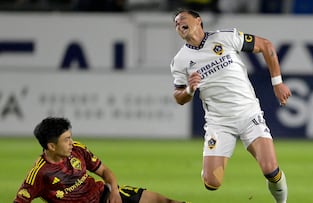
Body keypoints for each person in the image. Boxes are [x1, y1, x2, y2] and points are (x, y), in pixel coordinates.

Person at [170, 9, 291, 203]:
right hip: (219, 123)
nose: (179, 24)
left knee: (270, 169)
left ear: (198, 21)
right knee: (212, 183)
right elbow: (178, 96)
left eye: (182, 19)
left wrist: (277, 83)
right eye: (175, 23)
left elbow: (265, 45)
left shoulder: (225, 38)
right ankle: (211, 161)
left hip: (248, 114)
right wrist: (190, 91)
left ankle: (282, 202)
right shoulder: (180, 61)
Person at [14, 117, 189, 203]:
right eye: (65, 139)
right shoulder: (39, 174)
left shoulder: (77, 149)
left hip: (105, 195)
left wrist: (114, 191)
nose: (70, 143)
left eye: (70, 137)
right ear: (51, 146)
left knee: (163, 201)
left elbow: (104, 171)